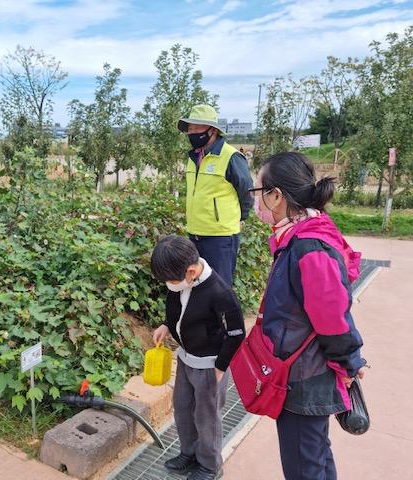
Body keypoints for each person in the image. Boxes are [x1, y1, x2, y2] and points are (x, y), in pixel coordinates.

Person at [251, 151, 367, 479]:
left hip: (305, 379)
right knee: (314, 458)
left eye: (257, 191)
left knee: (304, 467)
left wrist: (349, 363)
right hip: (304, 371)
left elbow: (333, 319)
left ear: (276, 197)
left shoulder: (310, 248)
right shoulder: (299, 236)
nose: (255, 201)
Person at [151, 235, 245, 480]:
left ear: (191, 272)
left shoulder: (220, 293)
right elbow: (179, 308)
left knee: (206, 418)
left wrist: (221, 367)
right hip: (186, 357)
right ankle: (189, 452)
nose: (169, 285)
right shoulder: (179, 283)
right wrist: (166, 325)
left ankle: (210, 465)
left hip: (209, 366)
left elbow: (237, 334)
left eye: (171, 280)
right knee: (183, 408)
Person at [177, 105, 253, 287]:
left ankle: (223, 317)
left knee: (219, 286)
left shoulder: (231, 157)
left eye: (197, 128)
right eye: (190, 129)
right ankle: (203, 317)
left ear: (213, 130)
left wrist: (240, 217)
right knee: (197, 285)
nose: (192, 133)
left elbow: (247, 192)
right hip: (195, 233)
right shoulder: (193, 158)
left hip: (221, 237)